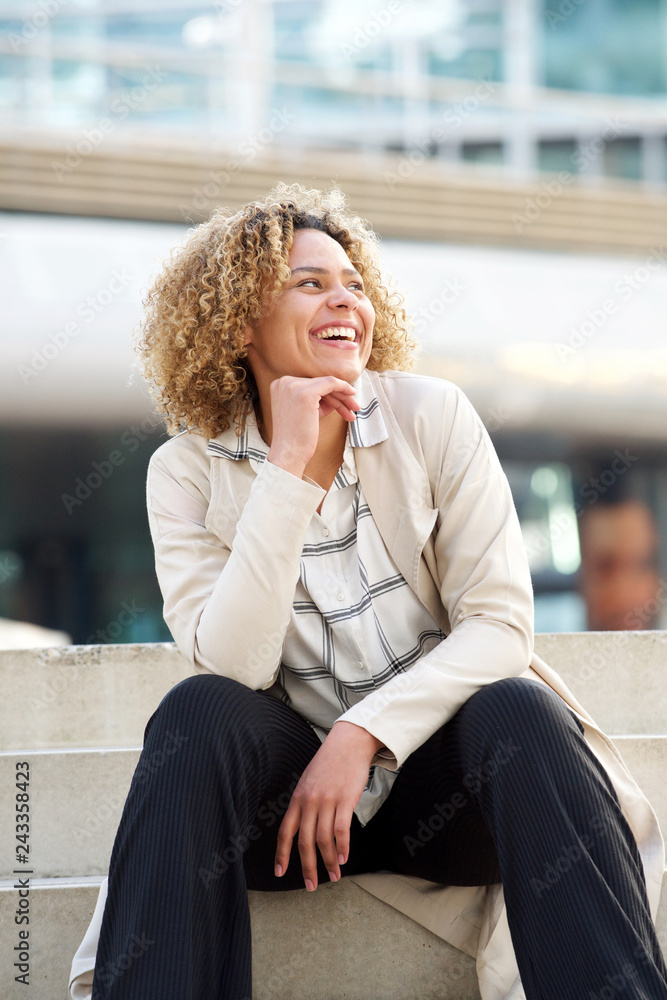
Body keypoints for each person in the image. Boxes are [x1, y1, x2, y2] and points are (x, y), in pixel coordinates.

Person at [70, 183, 667, 1000]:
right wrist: (285, 471)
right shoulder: (183, 470)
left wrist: (362, 736)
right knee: (196, 713)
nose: (343, 297)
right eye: (309, 283)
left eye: (351, 281)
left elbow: (497, 625)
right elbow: (234, 663)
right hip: (291, 826)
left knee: (519, 705)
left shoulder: (431, 417)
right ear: (237, 321)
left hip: (450, 797)